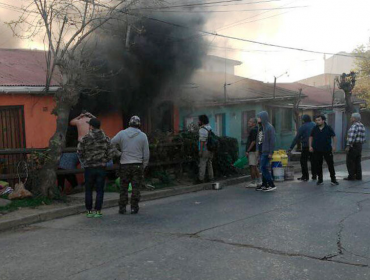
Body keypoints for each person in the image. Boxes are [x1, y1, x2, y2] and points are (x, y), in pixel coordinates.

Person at [111, 116, 150, 215]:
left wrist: (118, 153)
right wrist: (144, 165)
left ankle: (122, 208)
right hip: (137, 165)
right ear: (139, 124)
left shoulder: (122, 133)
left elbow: (111, 143)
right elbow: (146, 153)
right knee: (136, 187)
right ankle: (134, 208)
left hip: (124, 165)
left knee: (123, 187)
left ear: (129, 123)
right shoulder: (143, 136)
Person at [77, 118, 112, 218]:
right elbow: (111, 151)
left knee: (88, 190)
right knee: (100, 190)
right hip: (101, 167)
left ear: (91, 126)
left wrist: (84, 162)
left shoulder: (86, 138)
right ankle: (98, 211)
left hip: (89, 167)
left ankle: (89, 211)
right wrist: (105, 160)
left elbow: (79, 152)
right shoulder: (106, 138)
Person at [309, 115, 339, 186]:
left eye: (319, 120)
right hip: (317, 150)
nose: (317, 121)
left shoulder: (328, 128)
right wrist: (310, 146)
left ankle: (333, 180)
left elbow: (334, 137)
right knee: (318, 165)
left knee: (330, 164)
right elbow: (311, 137)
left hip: (327, 149)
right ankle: (320, 180)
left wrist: (334, 146)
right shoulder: (315, 128)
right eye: (316, 120)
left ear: (323, 120)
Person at [288, 115, 317, 181]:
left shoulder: (303, 127)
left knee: (303, 161)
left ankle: (305, 176)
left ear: (304, 120)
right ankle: (314, 176)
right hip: (314, 146)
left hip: (306, 146)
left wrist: (291, 147)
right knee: (313, 161)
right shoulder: (314, 124)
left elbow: (296, 138)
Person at [256, 111, 276, 192]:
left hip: (266, 151)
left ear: (263, 118)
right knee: (263, 168)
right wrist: (257, 150)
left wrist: (271, 152)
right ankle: (264, 184)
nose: (257, 119)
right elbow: (258, 140)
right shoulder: (261, 127)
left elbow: (272, 141)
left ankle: (271, 184)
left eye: (259, 117)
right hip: (261, 151)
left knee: (263, 168)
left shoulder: (269, 127)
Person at [344, 112, 366, 181]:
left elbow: (351, 137)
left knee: (350, 161)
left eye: (351, 117)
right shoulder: (362, 125)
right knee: (357, 161)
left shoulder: (354, 126)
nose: (350, 118)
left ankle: (351, 176)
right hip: (359, 146)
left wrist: (348, 146)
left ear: (354, 118)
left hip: (353, 146)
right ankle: (358, 176)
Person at [198, 114, 214, 183]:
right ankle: (211, 177)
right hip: (211, 148)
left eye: (199, 120)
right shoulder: (209, 127)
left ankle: (201, 179)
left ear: (202, 121)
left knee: (203, 163)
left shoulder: (202, 129)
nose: (198, 122)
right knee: (209, 163)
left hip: (205, 149)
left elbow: (202, 141)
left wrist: (201, 150)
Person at [245, 118, 261, 188]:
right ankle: (259, 181)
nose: (248, 122)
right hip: (255, 150)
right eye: (249, 121)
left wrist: (248, 150)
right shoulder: (256, 129)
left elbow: (253, 142)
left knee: (252, 166)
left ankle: (253, 182)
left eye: (250, 121)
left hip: (253, 151)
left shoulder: (254, 130)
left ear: (254, 123)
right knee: (254, 166)